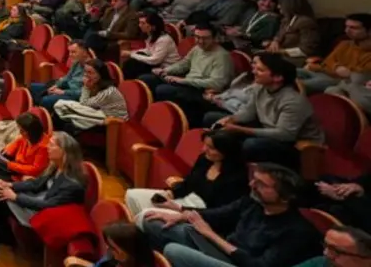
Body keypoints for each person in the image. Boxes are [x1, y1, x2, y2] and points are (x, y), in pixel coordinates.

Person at [142, 163, 321, 267]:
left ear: (286, 197)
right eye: (254, 179)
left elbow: (259, 266)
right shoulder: (252, 202)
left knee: (173, 250)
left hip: (239, 264)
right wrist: (181, 214)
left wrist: (210, 235)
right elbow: (217, 215)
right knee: (152, 222)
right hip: (222, 249)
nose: (252, 185)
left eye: (261, 184)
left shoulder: (297, 231)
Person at [205, 53, 324, 168]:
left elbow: (285, 134)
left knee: (251, 144)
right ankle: (218, 163)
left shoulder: (293, 101)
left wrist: (240, 129)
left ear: (278, 78)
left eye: (260, 70)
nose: (254, 72)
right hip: (267, 129)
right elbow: (248, 113)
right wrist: (230, 119)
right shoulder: (261, 88)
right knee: (211, 118)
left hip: (297, 145)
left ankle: (235, 170)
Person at [124, 129, 248, 219]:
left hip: (200, 213)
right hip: (184, 199)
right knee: (132, 195)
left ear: (226, 151)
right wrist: (171, 193)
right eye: (204, 145)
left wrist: (179, 208)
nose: (204, 149)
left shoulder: (237, 178)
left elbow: (217, 213)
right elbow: (188, 183)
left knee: (147, 214)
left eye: (211, 147)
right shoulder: (204, 159)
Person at [0, 132, 87, 242]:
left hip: (44, 212)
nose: (47, 148)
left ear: (63, 151)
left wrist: (15, 197)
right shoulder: (56, 166)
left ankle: (0, 238)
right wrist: (10, 185)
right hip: (40, 198)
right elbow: (36, 184)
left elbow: (48, 205)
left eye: (52, 145)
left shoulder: (72, 184)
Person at [138, 22, 234, 125]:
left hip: (202, 91)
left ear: (214, 38)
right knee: (147, 79)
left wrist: (184, 81)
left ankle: (171, 123)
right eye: (197, 37)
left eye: (205, 38)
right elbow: (184, 64)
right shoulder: (197, 49)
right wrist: (166, 70)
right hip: (187, 83)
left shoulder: (222, 57)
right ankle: (151, 118)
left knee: (163, 90)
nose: (200, 41)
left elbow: (216, 83)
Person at [51, 59, 129, 135]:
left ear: (100, 75)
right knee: (62, 114)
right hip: (100, 113)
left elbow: (84, 103)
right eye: (85, 72)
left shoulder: (108, 92)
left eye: (90, 72)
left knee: (69, 121)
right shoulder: (95, 84)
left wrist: (86, 87)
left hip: (113, 122)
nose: (86, 75)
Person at [297, 13, 371, 93]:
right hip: (322, 72)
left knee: (298, 85)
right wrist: (336, 67)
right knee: (289, 72)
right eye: (346, 27)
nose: (347, 31)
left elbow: (353, 76)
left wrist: (335, 68)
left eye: (354, 28)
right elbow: (327, 62)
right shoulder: (345, 44)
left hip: (340, 82)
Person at [30, 40, 89, 109]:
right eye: (69, 52)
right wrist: (56, 86)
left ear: (84, 52)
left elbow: (83, 92)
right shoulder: (77, 62)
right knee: (33, 87)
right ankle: (36, 109)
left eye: (73, 52)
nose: (70, 55)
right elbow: (67, 77)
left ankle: (41, 114)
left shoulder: (91, 68)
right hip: (65, 88)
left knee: (45, 100)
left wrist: (63, 92)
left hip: (74, 96)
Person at [122, 11, 179, 80]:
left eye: (143, 23)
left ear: (153, 26)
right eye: (139, 23)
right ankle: (125, 84)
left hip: (167, 69)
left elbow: (155, 60)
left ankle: (127, 84)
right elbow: (149, 50)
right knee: (132, 62)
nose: (139, 25)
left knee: (134, 65)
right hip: (157, 65)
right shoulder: (150, 35)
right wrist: (133, 52)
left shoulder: (164, 39)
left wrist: (131, 54)